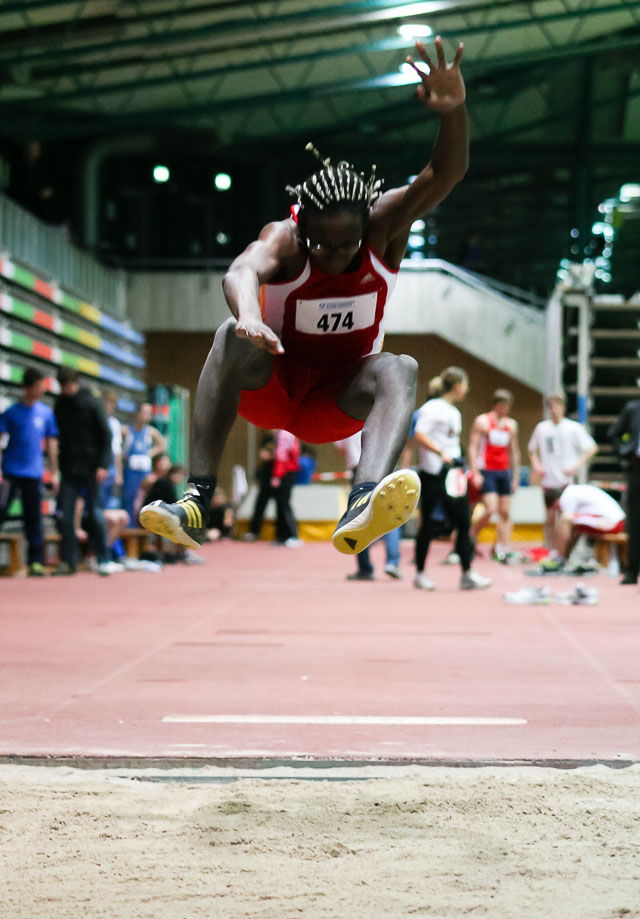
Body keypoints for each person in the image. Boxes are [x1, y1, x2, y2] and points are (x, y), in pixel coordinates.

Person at [140, 36, 468, 560]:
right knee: (229, 335)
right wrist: (248, 314)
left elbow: (444, 175)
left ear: (368, 226)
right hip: (274, 385)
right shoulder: (285, 240)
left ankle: (363, 500)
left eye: (346, 244)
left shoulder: (385, 227)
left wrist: (454, 113)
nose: (334, 255)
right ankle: (196, 498)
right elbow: (243, 269)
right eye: (321, 244)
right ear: (302, 226)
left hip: (336, 399)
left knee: (401, 367)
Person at [413, 366, 491, 591]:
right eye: (465, 385)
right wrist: (440, 453)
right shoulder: (432, 408)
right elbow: (420, 433)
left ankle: (467, 573)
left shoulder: (453, 412)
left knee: (464, 521)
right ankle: (420, 573)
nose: (467, 390)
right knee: (427, 524)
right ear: (457, 386)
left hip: (454, 475)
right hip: (434, 474)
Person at [53, 367, 113, 575]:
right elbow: (58, 437)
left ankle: (103, 558)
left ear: (75, 383)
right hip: (70, 469)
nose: (64, 389)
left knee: (95, 513)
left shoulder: (92, 402)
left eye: (67, 385)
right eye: (61, 386)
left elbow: (106, 435)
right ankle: (70, 561)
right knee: (66, 515)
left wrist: (103, 465)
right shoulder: (60, 404)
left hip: (91, 468)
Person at [0, 367, 58, 576]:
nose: (41, 390)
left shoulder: (45, 413)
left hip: (34, 474)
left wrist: (54, 470)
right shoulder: (11, 413)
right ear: (28, 387)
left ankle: (35, 562)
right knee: (1, 510)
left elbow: (51, 442)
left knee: (34, 519)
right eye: (38, 386)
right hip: (10, 471)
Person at [528, 392, 598, 558]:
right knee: (550, 518)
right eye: (550, 406)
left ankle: (563, 551)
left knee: (566, 518)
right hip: (548, 481)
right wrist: (537, 465)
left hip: (565, 482)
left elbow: (591, 448)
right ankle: (552, 550)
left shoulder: (573, 428)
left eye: (557, 406)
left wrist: (575, 466)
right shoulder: (542, 428)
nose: (554, 410)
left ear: (563, 407)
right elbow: (532, 450)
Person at [335, 431, 402, 580]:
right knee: (390, 513)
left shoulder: (349, 419)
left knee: (358, 516)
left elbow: (340, 448)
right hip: (384, 467)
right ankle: (393, 563)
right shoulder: (382, 416)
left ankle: (365, 568)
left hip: (359, 470)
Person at [468, 389, 520, 562]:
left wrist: (515, 477)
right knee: (490, 509)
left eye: (508, 406)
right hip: (487, 471)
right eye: (503, 406)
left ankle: (502, 548)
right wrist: (475, 472)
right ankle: (470, 535)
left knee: (505, 511)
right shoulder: (483, 421)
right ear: (496, 404)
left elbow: (514, 452)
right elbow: (473, 447)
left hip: (503, 471)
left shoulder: (511, 425)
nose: (506, 409)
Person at [549, 484, 625, 570]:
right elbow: (575, 529)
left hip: (612, 523)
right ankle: (565, 557)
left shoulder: (566, 497)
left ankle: (560, 558)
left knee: (565, 519)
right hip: (616, 520)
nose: (557, 511)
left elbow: (567, 519)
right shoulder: (573, 491)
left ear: (555, 503)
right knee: (573, 524)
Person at [608, 398, 640, 584]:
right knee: (635, 520)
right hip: (637, 468)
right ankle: (631, 570)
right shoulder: (632, 408)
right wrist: (624, 451)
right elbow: (614, 433)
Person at [121, 402, 166, 525]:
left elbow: (162, 445)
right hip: (130, 473)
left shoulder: (150, 432)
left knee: (144, 503)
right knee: (129, 502)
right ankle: (129, 530)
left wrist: (150, 453)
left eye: (149, 413)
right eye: (143, 412)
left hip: (144, 473)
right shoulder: (126, 430)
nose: (145, 416)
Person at [270, 429, 303, 547]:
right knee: (280, 504)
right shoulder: (288, 433)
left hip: (285, 472)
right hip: (288, 472)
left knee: (284, 504)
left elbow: (281, 456)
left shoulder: (284, 434)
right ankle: (281, 536)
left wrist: (277, 475)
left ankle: (292, 534)